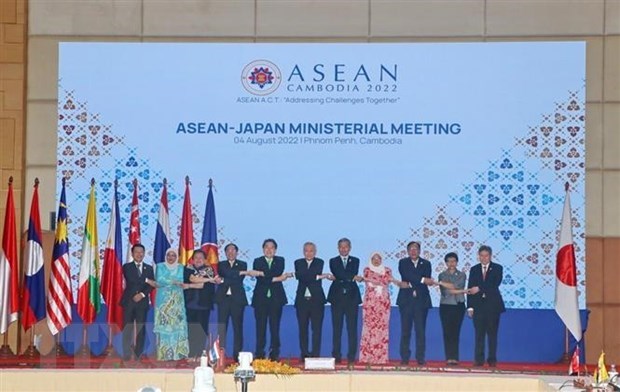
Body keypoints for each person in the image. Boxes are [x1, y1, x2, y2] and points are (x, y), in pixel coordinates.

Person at [216, 243, 260, 362]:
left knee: (238, 328)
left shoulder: (242, 264)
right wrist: (242, 273)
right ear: (225, 253)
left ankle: (237, 355)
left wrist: (226, 279)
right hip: (223, 300)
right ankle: (220, 354)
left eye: (233, 250)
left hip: (237, 301)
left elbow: (232, 278)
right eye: (228, 251)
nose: (230, 252)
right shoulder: (221, 264)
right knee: (222, 328)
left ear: (237, 252)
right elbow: (227, 273)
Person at [252, 238, 291, 361]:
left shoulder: (280, 260)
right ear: (263, 249)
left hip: (276, 299)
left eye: (272, 247)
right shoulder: (257, 261)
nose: (269, 250)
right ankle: (259, 354)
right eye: (266, 247)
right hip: (260, 300)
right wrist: (277, 279)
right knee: (260, 328)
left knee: (275, 328)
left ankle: (274, 354)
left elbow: (275, 272)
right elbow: (263, 279)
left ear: (275, 250)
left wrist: (262, 274)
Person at [396, 241, 434, 365]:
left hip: (421, 301)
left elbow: (416, 277)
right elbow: (407, 275)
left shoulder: (426, 263)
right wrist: (422, 279)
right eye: (411, 249)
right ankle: (405, 357)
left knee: (420, 331)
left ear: (419, 251)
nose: (413, 251)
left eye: (416, 249)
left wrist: (415, 281)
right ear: (407, 251)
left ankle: (420, 357)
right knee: (405, 330)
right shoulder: (403, 262)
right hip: (406, 301)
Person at [294, 242, 333, 361]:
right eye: (306, 250)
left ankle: (315, 354)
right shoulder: (298, 262)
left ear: (315, 252)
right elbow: (302, 276)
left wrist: (311, 275)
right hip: (302, 301)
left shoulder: (319, 262)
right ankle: (304, 354)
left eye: (311, 251)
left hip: (317, 301)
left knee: (316, 329)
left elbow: (305, 275)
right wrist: (318, 276)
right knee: (303, 329)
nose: (308, 253)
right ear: (303, 252)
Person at [467, 245, 505, 367]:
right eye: (481, 255)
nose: (484, 258)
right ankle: (479, 360)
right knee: (479, 335)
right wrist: (470, 307)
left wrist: (479, 288)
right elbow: (471, 288)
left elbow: (494, 284)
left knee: (492, 334)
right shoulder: (474, 269)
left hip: (493, 307)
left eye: (486, 255)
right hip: (478, 307)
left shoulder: (498, 268)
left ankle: (492, 359)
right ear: (478, 256)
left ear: (490, 256)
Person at [327, 237, 363, 365]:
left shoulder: (356, 260)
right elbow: (339, 273)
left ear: (350, 247)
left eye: (346, 246)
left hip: (352, 298)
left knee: (352, 329)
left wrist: (350, 276)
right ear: (338, 248)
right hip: (336, 298)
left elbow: (347, 273)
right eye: (341, 247)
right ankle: (336, 356)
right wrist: (352, 277)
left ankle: (351, 357)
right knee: (337, 329)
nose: (343, 249)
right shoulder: (333, 261)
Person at [152, 248, 189, 361]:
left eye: (173, 255)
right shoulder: (160, 266)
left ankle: (179, 354)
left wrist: (171, 281)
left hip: (177, 301)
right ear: (166, 256)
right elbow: (160, 280)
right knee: (165, 327)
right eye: (169, 255)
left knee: (178, 326)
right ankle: (164, 355)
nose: (171, 257)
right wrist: (175, 282)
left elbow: (182, 280)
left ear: (177, 256)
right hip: (163, 302)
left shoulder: (181, 267)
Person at [359, 252, 396, 365]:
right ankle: (367, 357)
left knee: (382, 329)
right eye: (374, 258)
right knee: (369, 329)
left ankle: (380, 357)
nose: (376, 261)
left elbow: (384, 281)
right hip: (370, 304)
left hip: (383, 303)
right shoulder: (367, 270)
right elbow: (376, 279)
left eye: (378, 258)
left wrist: (374, 280)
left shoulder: (388, 270)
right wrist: (378, 280)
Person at [121, 243, 155, 361]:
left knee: (141, 328)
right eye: (136, 252)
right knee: (127, 328)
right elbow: (132, 279)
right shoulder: (126, 266)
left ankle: (138, 353)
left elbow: (152, 286)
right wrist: (146, 280)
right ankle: (126, 353)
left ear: (144, 254)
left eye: (141, 252)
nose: (139, 254)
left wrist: (142, 294)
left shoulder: (149, 268)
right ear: (132, 253)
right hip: (129, 302)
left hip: (142, 302)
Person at [184, 249, 220, 360]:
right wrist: (209, 280)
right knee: (191, 329)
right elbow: (192, 279)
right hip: (190, 304)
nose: (198, 260)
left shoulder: (209, 269)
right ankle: (191, 353)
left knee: (202, 330)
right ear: (193, 259)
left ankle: (199, 354)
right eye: (196, 258)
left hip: (204, 305)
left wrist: (203, 281)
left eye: (201, 258)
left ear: (205, 260)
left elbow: (201, 286)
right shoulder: (188, 268)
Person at [437, 252, 467, 366]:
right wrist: (463, 291)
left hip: (458, 305)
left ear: (457, 262)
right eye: (449, 261)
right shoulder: (442, 275)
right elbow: (447, 291)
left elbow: (457, 286)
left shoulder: (462, 274)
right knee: (447, 332)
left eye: (453, 261)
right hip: (446, 305)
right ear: (445, 263)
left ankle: (455, 357)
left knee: (456, 331)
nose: (451, 263)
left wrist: (452, 287)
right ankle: (449, 357)